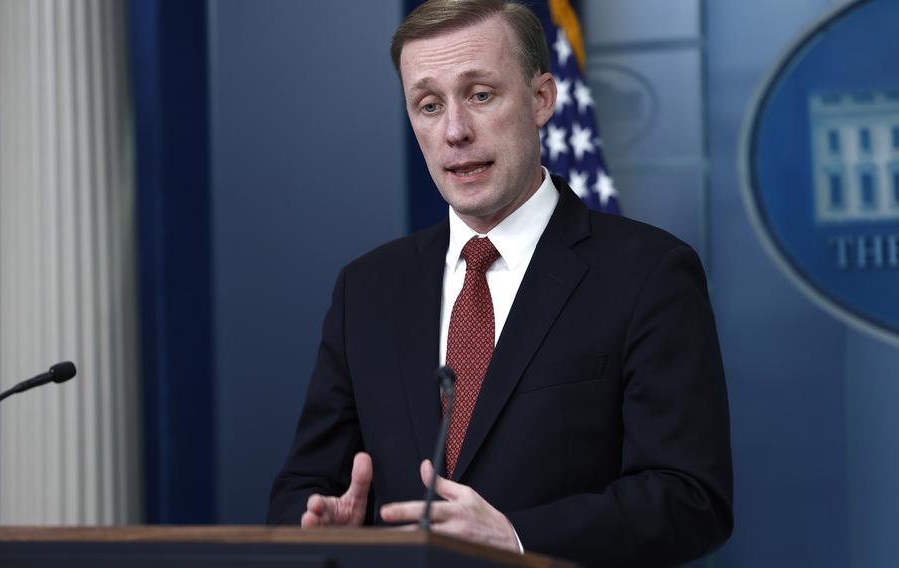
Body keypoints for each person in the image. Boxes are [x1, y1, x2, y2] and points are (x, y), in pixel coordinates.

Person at [267, 1, 733, 565]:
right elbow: (301, 488)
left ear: (542, 99)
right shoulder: (366, 291)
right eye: (429, 105)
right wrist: (324, 525)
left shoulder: (647, 272)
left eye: (481, 95)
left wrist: (515, 537)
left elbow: (690, 499)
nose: (455, 132)